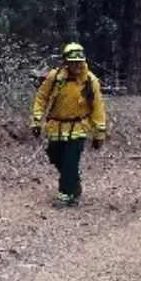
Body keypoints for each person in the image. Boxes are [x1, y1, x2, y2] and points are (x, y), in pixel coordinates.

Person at [30, 42, 108, 207]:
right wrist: (36, 120)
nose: (77, 66)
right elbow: (42, 97)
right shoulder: (55, 77)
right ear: (66, 62)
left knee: (70, 160)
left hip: (79, 127)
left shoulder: (90, 80)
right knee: (54, 154)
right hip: (56, 126)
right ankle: (74, 182)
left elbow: (98, 107)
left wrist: (99, 132)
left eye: (79, 62)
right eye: (73, 63)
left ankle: (65, 194)